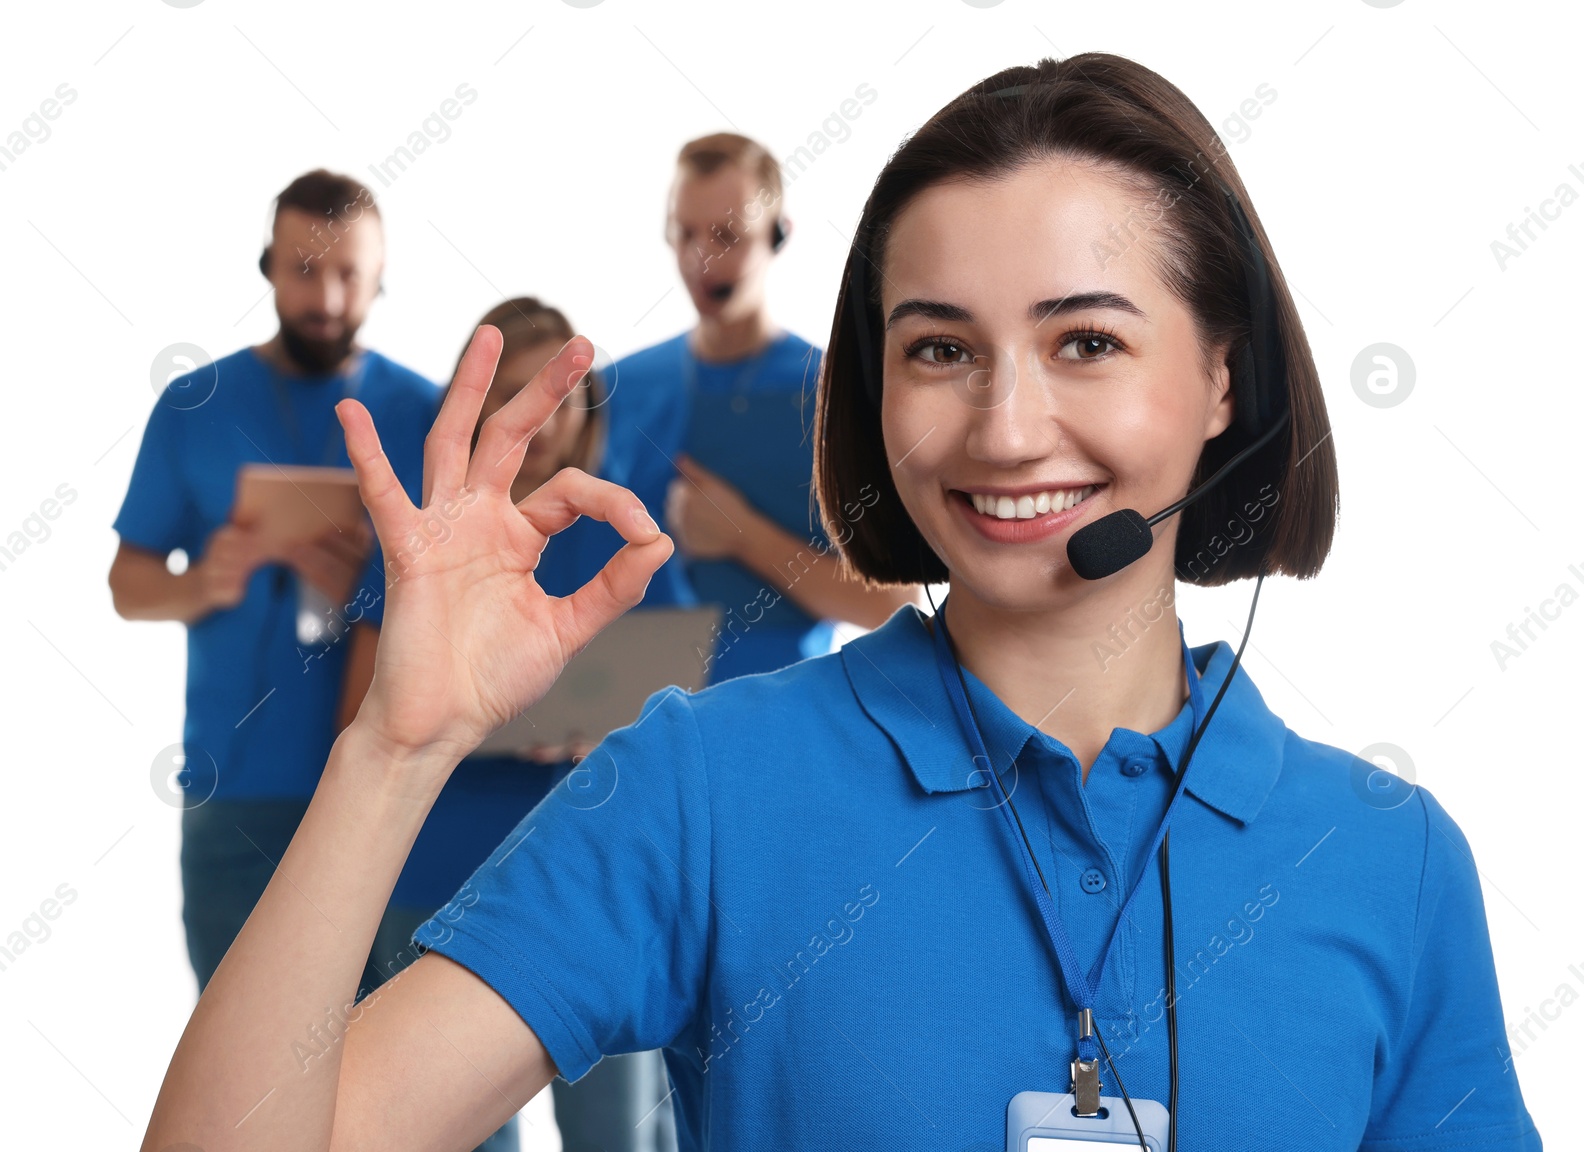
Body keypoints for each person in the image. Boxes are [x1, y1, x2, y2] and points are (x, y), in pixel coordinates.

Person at [140, 54, 1542, 1152]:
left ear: (1223, 381)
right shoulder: (699, 792)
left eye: (1087, 340)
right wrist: (396, 747)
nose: (1004, 429)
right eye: (939, 350)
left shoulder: (1393, 866)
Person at [341, 298, 696, 1152]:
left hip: (588, 877)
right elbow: (364, 714)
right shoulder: (418, 537)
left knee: (613, 1132)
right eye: (508, 389)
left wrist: (586, 737)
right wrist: (462, 718)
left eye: (554, 392)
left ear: (586, 407)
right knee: (449, 1133)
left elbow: (674, 698)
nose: (531, 415)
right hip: (437, 871)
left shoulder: (621, 526)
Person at [108, 169, 443, 997]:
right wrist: (205, 582)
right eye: (302, 269)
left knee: (389, 1083)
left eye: (348, 275)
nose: (326, 297)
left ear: (381, 277)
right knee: (243, 1090)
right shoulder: (196, 404)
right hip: (236, 793)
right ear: (266, 265)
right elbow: (128, 583)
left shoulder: (427, 415)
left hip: (387, 795)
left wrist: (372, 582)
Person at [609, 132, 918, 683]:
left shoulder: (834, 392)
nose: (700, 257)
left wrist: (740, 536)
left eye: (727, 235)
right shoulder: (618, 388)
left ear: (778, 235)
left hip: (782, 721)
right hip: (637, 726)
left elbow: (892, 604)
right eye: (685, 233)